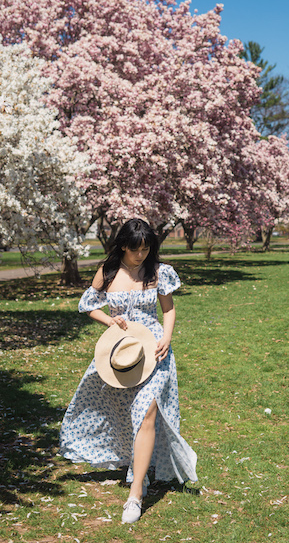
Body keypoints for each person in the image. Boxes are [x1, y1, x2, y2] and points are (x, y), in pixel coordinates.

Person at [59, 218, 197, 524]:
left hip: (154, 350)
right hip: (120, 352)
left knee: (147, 413)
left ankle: (135, 495)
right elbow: (87, 304)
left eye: (147, 248)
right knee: (124, 414)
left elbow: (168, 309)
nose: (142, 254)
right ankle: (140, 467)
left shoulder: (159, 271)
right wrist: (110, 321)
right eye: (137, 249)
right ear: (123, 245)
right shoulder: (107, 272)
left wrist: (167, 337)